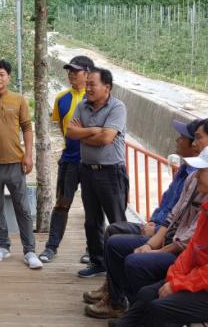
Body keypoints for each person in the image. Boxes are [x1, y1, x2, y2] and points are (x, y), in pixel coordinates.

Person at [84, 119, 208, 319]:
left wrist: (171, 272)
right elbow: (173, 214)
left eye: (197, 138)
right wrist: (152, 243)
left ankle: (134, 309)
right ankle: (121, 301)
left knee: (136, 262)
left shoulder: (200, 182)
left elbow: (189, 245)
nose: (190, 142)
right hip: (169, 238)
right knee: (115, 237)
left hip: (178, 248)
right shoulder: (190, 176)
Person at [109, 145, 208, 327]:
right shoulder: (205, 208)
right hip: (193, 273)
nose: (197, 176)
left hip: (202, 283)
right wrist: (174, 277)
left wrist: (178, 284)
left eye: (202, 171)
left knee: (160, 307)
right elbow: (191, 252)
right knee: (147, 293)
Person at [0, 59, 43, 269]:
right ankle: (3, 246)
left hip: (15, 164)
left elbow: (27, 128)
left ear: (9, 77)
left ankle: (29, 250)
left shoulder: (18, 100)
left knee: (23, 208)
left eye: (2, 74)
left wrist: (28, 155)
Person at [66, 67, 129, 278]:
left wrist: (83, 133)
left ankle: (121, 268)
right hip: (87, 170)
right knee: (92, 221)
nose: (88, 88)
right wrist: (94, 130)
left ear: (107, 87)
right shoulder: (82, 106)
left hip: (111, 172)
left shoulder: (117, 107)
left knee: (117, 221)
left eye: (92, 84)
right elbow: (70, 132)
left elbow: (106, 138)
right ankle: (98, 262)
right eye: (87, 84)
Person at [39, 55, 94, 263]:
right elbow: (62, 130)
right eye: (69, 70)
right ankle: (51, 247)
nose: (71, 74)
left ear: (88, 74)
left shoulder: (96, 98)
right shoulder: (61, 98)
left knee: (93, 208)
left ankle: (92, 249)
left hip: (92, 162)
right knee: (62, 204)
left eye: (76, 71)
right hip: (69, 160)